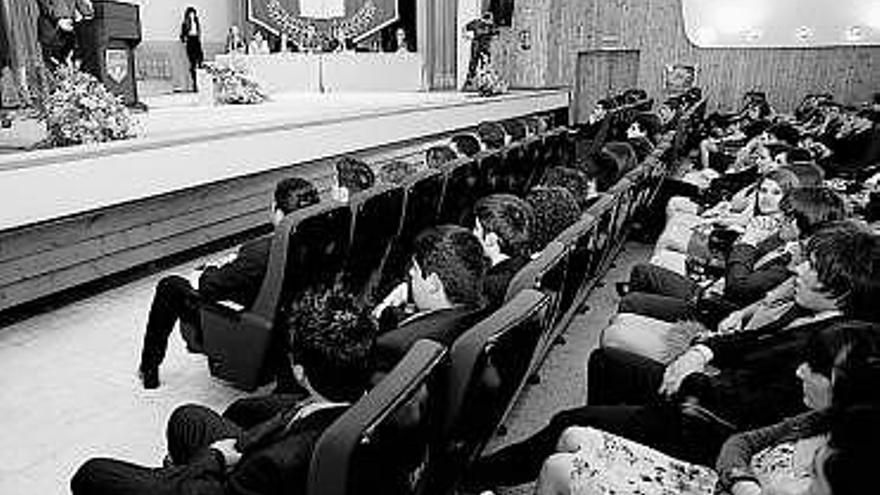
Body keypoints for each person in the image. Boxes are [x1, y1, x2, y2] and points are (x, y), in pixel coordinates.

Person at [72, 285, 377, 495]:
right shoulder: (370, 395)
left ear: (299, 372)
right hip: (262, 455)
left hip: (231, 480)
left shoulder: (275, 463)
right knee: (188, 417)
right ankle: (178, 473)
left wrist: (213, 459)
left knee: (91, 473)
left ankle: (173, 479)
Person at [531, 320, 880, 495]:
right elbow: (740, 443)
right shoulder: (816, 418)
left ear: (847, 387)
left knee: (558, 468)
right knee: (572, 434)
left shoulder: (854, 462)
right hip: (715, 481)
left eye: (815, 369)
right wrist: (742, 481)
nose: (799, 371)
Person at [137, 177, 321, 390]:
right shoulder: (326, 245)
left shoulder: (261, 253)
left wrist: (210, 270)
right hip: (288, 325)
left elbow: (209, 286)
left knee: (169, 285)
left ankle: (149, 369)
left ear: (278, 213)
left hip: (243, 321)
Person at [372, 225, 489, 370]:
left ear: (433, 284)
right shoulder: (482, 308)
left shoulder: (394, 345)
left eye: (414, 269)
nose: (410, 273)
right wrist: (387, 312)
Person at [472, 194, 535, 308]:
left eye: (476, 229)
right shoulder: (528, 264)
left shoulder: (487, 287)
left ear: (491, 240)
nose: (472, 233)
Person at [463, 11, 499, 90]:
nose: (491, 22)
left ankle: (484, 82)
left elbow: (496, 33)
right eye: (490, 20)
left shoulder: (490, 26)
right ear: (486, 19)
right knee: (473, 62)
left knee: (486, 64)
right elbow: (465, 28)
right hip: (476, 45)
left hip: (485, 47)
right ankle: (469, 81)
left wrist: (494, 37)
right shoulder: (476, 23)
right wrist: (466, 35)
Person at [36, 0, 78, 68]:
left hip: (68, 31)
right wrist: (58, 20)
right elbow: (45, 5)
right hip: (51, 31)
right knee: (51, 67)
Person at [179, 6, 204, 92]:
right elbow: (182, 35)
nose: (192, 15)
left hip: (196, 40)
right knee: (192, 63)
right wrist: (184, 39)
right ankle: (195, 84)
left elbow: (198, 32)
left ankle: (201, 83)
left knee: (200, 60)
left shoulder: (196, 22)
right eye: (191, 14)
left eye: (193, 13)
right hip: (190, 41)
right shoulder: (185, 23)